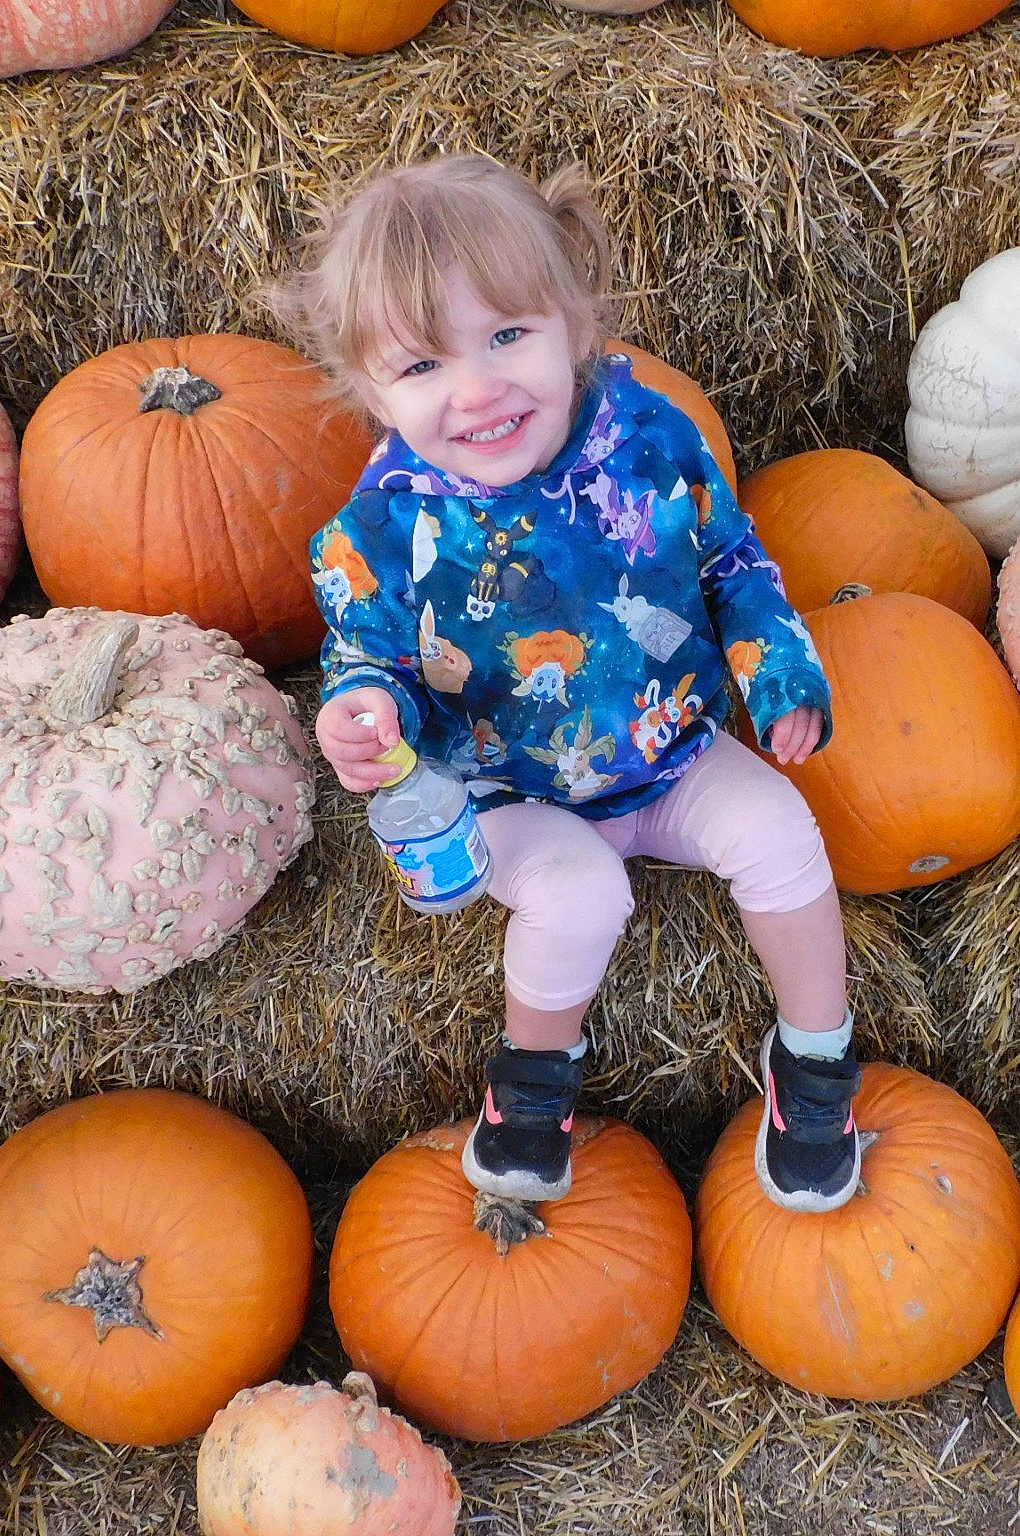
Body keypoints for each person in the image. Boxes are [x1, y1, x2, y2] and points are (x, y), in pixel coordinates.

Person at [264, 153, 861, 1212]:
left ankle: (815, 1056)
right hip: (506, 788)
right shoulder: (383, 527)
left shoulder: (653, 442)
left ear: (576, 323)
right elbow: (369, 654)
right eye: (423, 365)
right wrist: (363, 711)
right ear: (368, 389)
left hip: (666, 749)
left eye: (507, 336)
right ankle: (532, 1084)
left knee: (779, 829)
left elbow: (731, 564)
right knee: (582, 893)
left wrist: (777, 675)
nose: (477, 389)